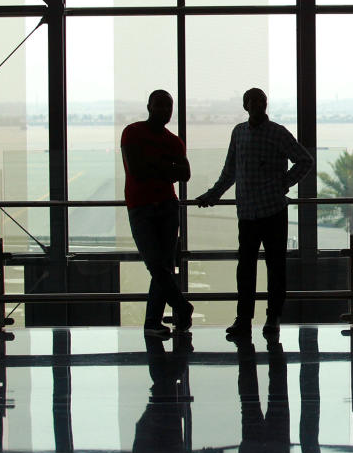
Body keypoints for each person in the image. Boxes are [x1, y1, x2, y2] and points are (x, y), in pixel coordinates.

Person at [196, 88, 313, 337]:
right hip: (248, 213)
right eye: (253, 101)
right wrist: (213, 194)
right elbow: (230, 170)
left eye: (262, 101)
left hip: (272, 211)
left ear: (266, 105)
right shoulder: (238, 133)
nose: (258, 105)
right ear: (245, 105)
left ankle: (273, 318)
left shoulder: (277, 133)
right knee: (246, 269)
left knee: (275, 267)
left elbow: (305, 160)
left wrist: (284, 183)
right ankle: (244, 319)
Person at [122, 89, 194, 338]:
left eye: (168, 106)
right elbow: (137, 170)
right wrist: (167, 165)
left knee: (160, 266)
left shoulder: (172, 141)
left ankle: (153, 322)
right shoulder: (133, 132)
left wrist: (154, 164)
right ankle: (181, 306)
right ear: (149, 106)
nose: (165, 110)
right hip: (143, 207)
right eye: (160, 105)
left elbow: (184, 174)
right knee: (156, 264)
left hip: (164, 206)